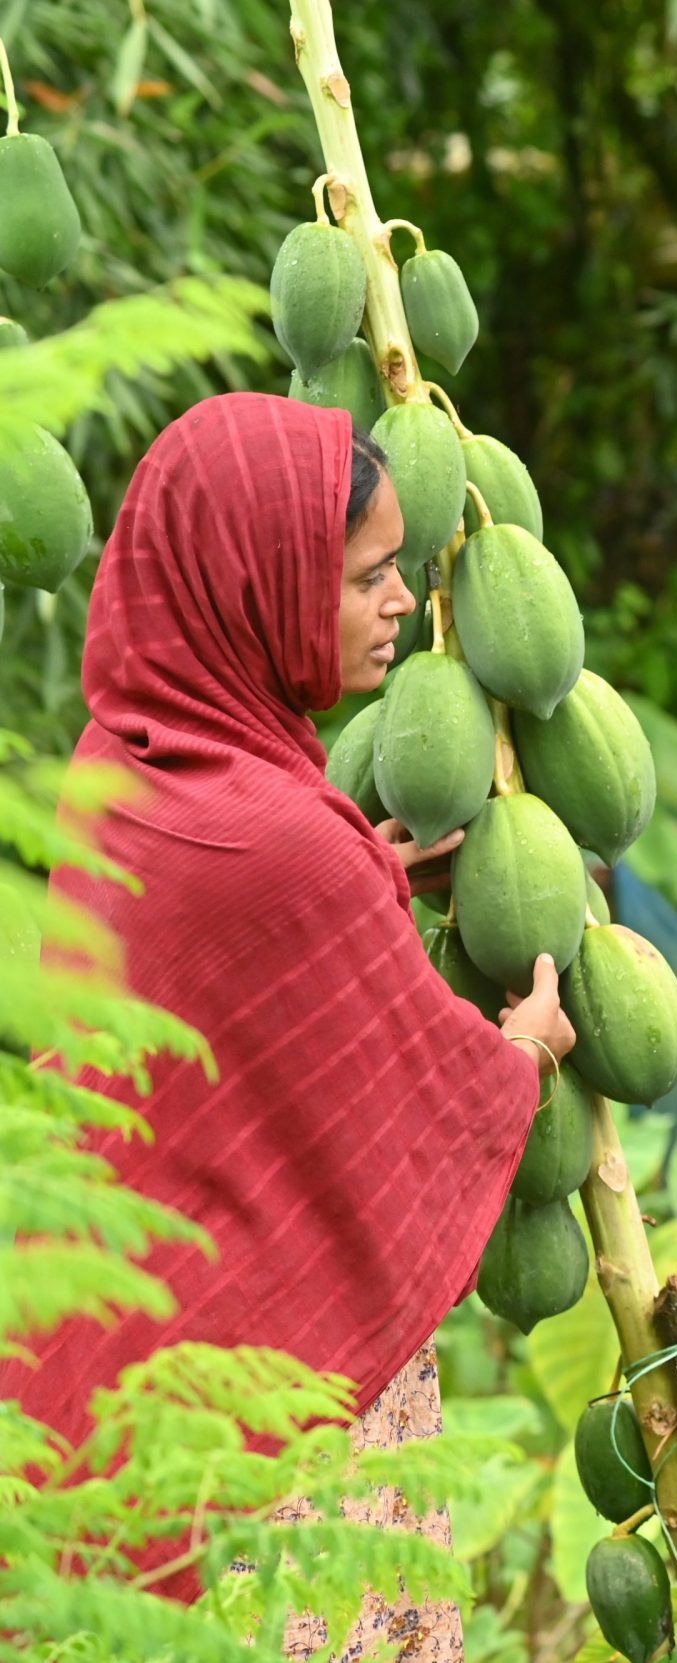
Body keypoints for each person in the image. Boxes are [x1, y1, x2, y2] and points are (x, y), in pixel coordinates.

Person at [1, 395, 574, 1645]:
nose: (400, 603)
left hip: (139, 1373)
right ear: (253, 586)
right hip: (286, 1435)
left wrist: (363, 875)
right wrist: (521, 1053)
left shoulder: (126, 760)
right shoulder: (286, 850)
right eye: (366, 577)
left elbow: (222, 978)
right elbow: (418, 1098)